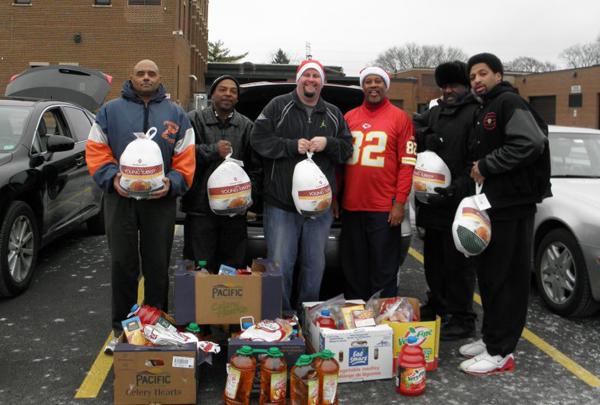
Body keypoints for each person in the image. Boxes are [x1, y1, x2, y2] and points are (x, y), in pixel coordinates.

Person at [86, 59, 195, 354]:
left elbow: (185, 156)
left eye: (151, 74)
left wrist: (173, 183)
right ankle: (122, 329)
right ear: (131, 77)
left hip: (160, 202)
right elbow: (96, 151)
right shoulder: (110, 111)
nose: (146, 78)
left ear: (159, 78)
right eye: (140, 73)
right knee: (123, 264)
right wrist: (112, 179)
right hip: (120, 198)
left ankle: (156, 325)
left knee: (157, 264)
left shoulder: (176, 114)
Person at [459, 53, 550, 375]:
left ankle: (501, 352)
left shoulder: (509, 102)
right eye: (472, 76)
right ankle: (490, 338)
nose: (476, 80)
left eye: (483, 73)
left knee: (507, 280)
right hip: (494, 206)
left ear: (498, 75)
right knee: (490, 276)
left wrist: (487, 165)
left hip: (513, 206)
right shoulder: (487, 106)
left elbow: (531, 142)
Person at [250, 59, 353, 311]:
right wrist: (289, 145)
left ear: (322, 82)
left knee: (314, 264)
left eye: (316, 76)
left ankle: (309, 315)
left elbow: (347, 149)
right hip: (281, 203)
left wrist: (328, 143)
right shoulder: (277, 106)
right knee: (280, 264)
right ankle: (283, 317)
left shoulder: (333, 113)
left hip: (319, 205)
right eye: (306, 75)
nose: (311, 80)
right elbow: (258, 139)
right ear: (298, 79)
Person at [413, 61, 477, 340]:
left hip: (460, 204)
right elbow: (413, 125)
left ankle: (462, 316)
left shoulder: (475, 112)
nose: (449, 90)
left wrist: (459, 187)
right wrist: (428, 136)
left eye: (455, 85)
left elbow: (477, 159)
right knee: (434, 261)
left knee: (459, 265)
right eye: (445, 86)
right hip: (432, 203)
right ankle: (438, 303)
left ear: (465, 86)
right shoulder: (435, 112)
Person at [341, 66, 416, 301]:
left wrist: (399, 202)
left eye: (378, 82)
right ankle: (357, 319)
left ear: (385, 86)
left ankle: (382, 321)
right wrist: (335, 197)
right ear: (363, 86)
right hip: (352, 205)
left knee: (383, 269)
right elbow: (339, 163)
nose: (373, 86)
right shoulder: (349, 117)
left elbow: (407, 164)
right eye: (368, 82)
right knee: (354, 269)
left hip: (383, 208)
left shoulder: (400, 117)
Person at [181, 75, 260, 272]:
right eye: (222, 89)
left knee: (232, 265)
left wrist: (250, 200)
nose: (228, 94)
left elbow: (256, 167)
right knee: (201, 265)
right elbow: (182, 154)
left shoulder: (247, 126)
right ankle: (199, 301)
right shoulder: (193, 120)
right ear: (212, 94)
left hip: (235, 212)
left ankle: (227, 302)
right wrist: (213, 151)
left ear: (237, 98)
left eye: (233, 91)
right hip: (200, 210)